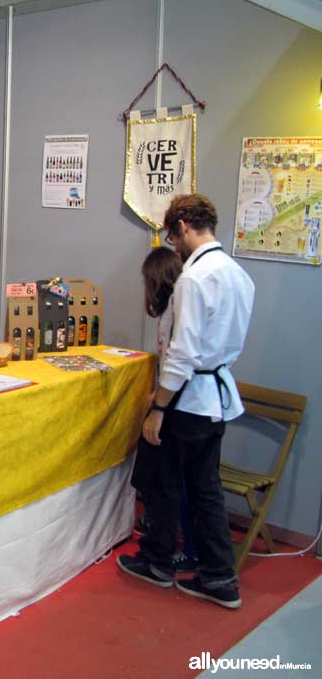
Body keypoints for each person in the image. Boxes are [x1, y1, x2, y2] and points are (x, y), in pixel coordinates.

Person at [118, 194, 255, 610]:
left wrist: (158, 408)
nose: (172, 245)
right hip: (216, 398)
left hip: (188, 398)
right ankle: (219, 576)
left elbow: (183, 353)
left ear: (182, 226)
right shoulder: (236, 273)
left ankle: (158, 563)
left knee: (165, 484)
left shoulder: (195, 279)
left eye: (171, 236)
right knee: (206, 489)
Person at [131, 247, 197, 573]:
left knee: (171, 481)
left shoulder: (177, 309)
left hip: (176, 406)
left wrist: (159, 402)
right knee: (170, 479)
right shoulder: (171, 309)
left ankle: (165, 551)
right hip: (176, 402)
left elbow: (177, 360)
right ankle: (163, 535)